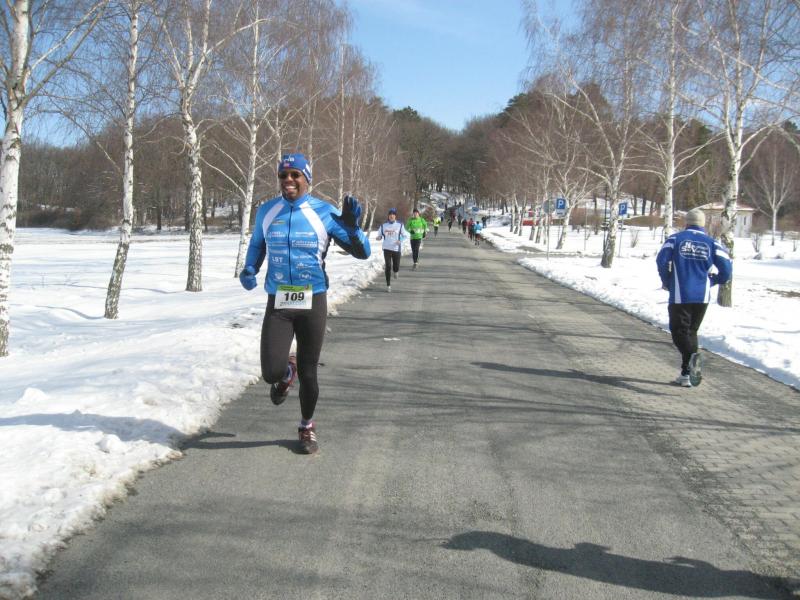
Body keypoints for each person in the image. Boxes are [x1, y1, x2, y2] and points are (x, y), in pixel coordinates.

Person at [239, 153, 371, 454]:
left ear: (307, 179)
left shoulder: (324, 212)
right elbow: (257, 244)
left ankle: (306, 426)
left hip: (313, 300)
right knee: (270, 372)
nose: (288, 180)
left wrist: (353, 230)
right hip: (279, 301)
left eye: (295, 175)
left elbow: (362, 253)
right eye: (283, 175)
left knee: (310, 371)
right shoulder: (267, 211)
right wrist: (250, 268)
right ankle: (287, 373)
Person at [656, 208, 732, 388]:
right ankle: (686, 375)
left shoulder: (675, 239)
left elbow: (661, 261)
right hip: (702, 296)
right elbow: (727, 269)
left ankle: (692, 358)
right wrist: (714, 281)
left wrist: (667, 280)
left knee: (679, 332)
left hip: (680, 294)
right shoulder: (712, 243)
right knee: (691, 332)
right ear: (703, 224)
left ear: (687, 222)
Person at [376, 207, 408, 292]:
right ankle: (388, 285)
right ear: (388, 216)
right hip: (386, 248)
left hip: (396, 249)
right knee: (388, 266)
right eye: (390, 214)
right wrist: (379, 237)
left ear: (395, 216)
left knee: (396, 266)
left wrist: (400, 240)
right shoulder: (383, 226)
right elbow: (379, 235)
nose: (391, 216)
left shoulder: (400, 225)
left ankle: (396, 271)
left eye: (393, 214)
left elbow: (405, 235)